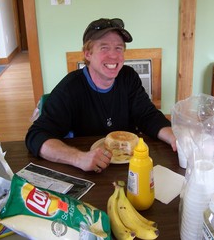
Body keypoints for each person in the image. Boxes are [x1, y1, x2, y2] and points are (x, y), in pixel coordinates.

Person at [25, 18, 176, 173]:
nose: (113, 56)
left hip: (131, 167)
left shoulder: (128, 77)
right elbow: (36, 136)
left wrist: (174, 138)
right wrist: (79, 158)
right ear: (88, 54)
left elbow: (148, 116)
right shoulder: (69, 88)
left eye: (118, 48)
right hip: (89, 170)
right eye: (104, 48)